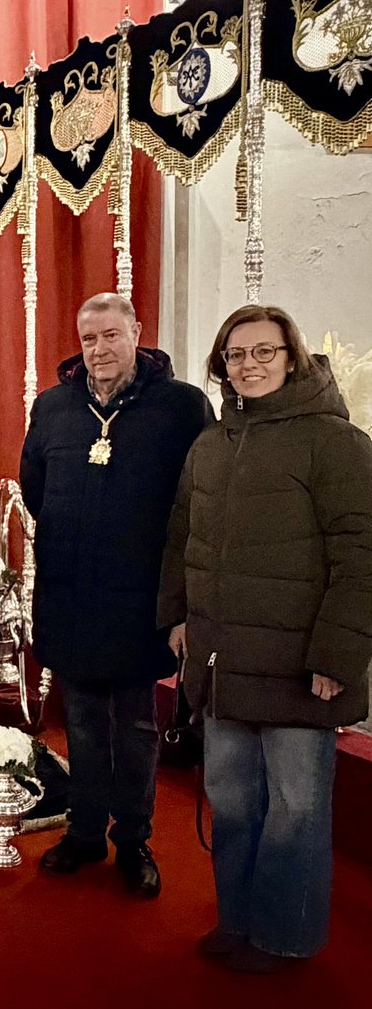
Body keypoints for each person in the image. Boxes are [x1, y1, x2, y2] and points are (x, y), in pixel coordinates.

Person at [159, 305, 372, 972]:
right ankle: (239, 920)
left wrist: (336, 656)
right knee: (232, 804)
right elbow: (182, 540)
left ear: (291, 356)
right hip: (224, 662)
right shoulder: (211, 444)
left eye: (263, 351)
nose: (249, 365)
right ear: (221, 364)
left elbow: (361, 556)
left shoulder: (335, 442)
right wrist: (179, 617)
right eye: (235, 354)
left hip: (301, 667)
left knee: (296, 812)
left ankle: (285, 936)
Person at [20, 292, 212, 897]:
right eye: (88, 339)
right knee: (79, 719)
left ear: (136, 333)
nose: (99, 349)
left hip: (141, 596)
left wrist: (182, 599)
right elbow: (35, 488)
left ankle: (133, 838)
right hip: (71, 591)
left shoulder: (181, 406)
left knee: (134, 722)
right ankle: (83, 834)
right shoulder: (53, 406)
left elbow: (197, 500)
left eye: (111, 335)